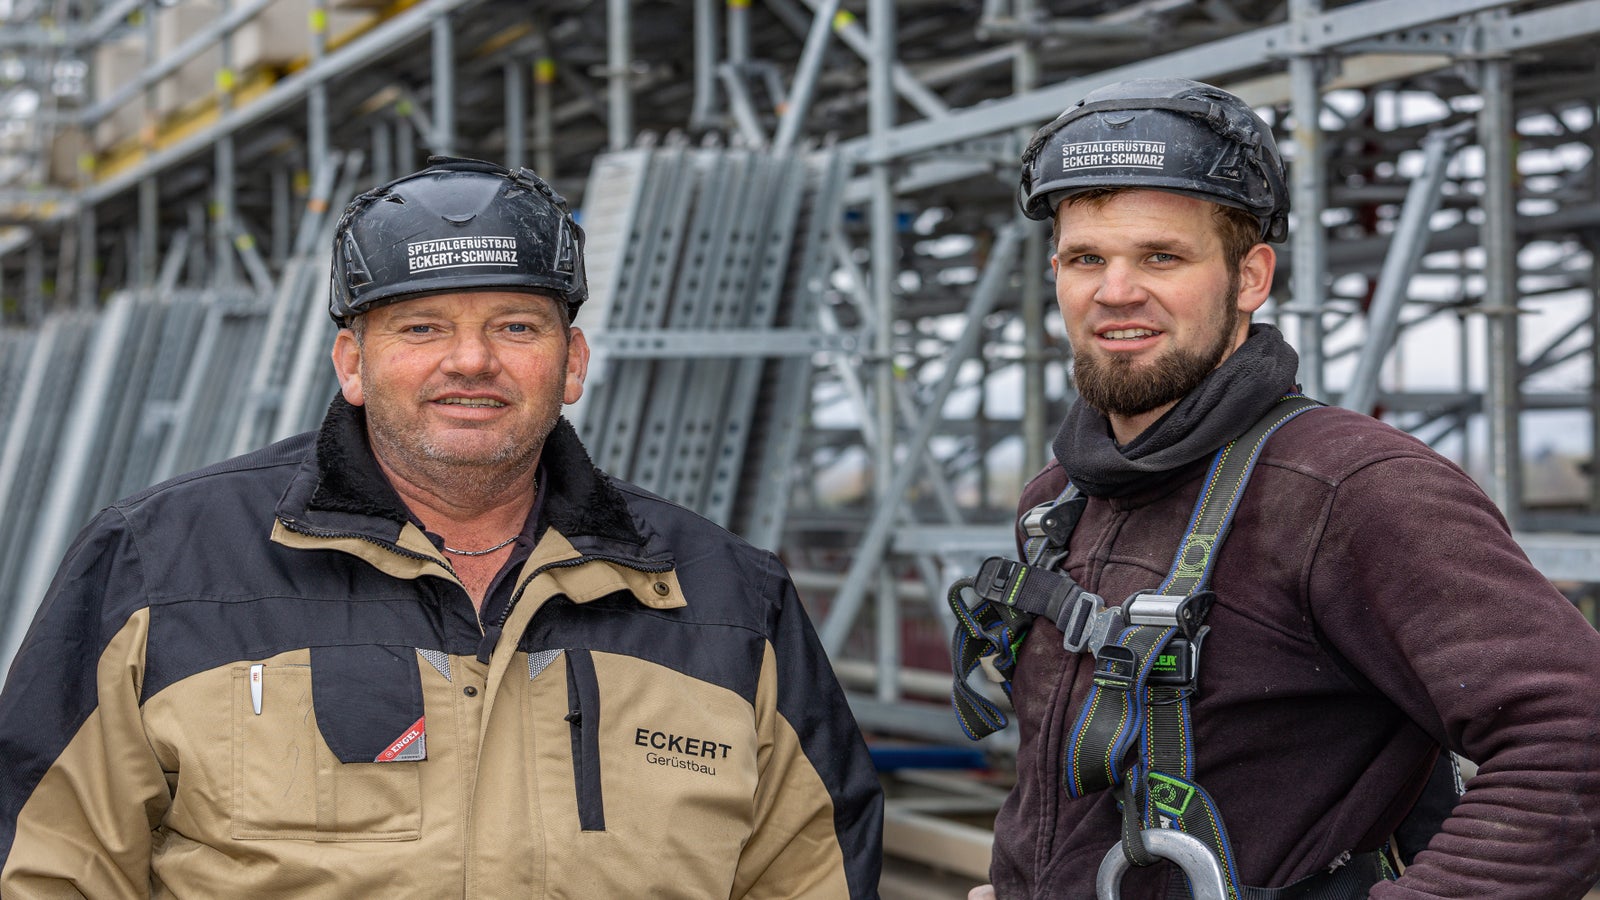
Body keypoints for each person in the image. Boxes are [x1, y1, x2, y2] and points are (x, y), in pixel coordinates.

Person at [0, 157, 883, 898]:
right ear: (353, 363)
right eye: (422, 326)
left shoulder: (729, 600)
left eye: (515, 325)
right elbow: (46, 867)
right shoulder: (162, 566)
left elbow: (813, 872)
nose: (471, 360)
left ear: (572, 363)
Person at [961, 79, 1600, 899]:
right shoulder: (1061, 502)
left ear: (1251, 275)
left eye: (1162, 256)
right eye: (1088, 258)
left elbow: (1573, 732)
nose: (1115, 292)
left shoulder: (1348, 489)